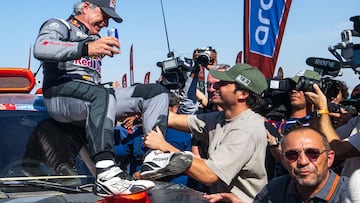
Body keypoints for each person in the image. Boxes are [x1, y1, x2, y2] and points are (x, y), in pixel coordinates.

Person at [33, 0, 170, 196]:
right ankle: (106, 173)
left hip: (90, 98)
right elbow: (41, 47)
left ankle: (154, 156)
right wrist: (86, 49)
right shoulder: (61, 25)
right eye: (103, 15)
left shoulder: (94, 37)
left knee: (155, 92)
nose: (105, 22)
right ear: (86, 7)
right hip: (59, 95)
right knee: (101, 95)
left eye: (109, 18)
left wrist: (93, 48)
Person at [140, 64, 269, 203]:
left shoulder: (245, 129)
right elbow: (174, 119)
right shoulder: (220, 118)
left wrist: (165, 147)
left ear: (243, 94)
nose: (215, 87)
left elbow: (209, 175)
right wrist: (142, 101)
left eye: (223, 84)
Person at [253, 127, 351, 202]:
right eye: (292, 155)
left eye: (312, 153)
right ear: (283, 161)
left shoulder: (351, 194)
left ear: (329, 158)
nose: (303, 161)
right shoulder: (273, 192)